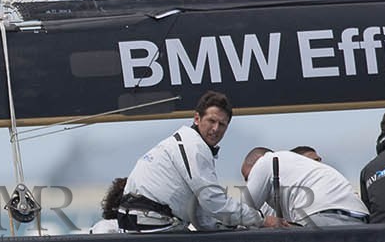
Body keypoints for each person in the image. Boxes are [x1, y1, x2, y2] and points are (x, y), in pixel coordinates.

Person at [114, 90, 284, 232]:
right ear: (197, 119)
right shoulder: (194, 147)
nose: (215, 129)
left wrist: (233, 225)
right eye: (211, 121)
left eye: (222, 124)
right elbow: (213, 201)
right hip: (150, 223)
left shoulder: (182, 142)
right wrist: (261, 220)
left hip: (135, 221)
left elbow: (203, 216)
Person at [241, 146, 368, 226]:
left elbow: (241, 214)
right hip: (360, 218)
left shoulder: (265, 162)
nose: (249, 184)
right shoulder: (302, 170)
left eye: (249, 178)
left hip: (323, 219)